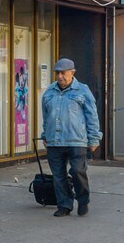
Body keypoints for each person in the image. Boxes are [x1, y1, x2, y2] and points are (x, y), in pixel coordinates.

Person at [39, 57, 102, 217]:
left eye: (63, 73)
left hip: (76, 140)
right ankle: (64, 205)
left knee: (77, 171)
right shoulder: (49, 92)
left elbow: (92, 115)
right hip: (54, 140)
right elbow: (46, 116)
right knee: (58, 176)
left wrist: (94, 138)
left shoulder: (82, 90)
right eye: (57, 73)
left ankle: (83, 200)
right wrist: (45, 135)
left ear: (72, 73)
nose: (60, 76)